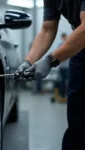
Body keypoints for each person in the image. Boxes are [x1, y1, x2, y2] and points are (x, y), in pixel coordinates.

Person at [15, 0, 85, 149]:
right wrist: (28, 61)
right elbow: (47, 28)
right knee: (77, 111)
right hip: (81, 45)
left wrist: (50, 60)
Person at [59, 33, 69, 100]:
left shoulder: (68, 44)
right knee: (62, 81)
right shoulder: (60, 45)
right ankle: (63, 95)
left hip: (67, 66)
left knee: (67, 81)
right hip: (62, 66)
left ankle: (66, 94)